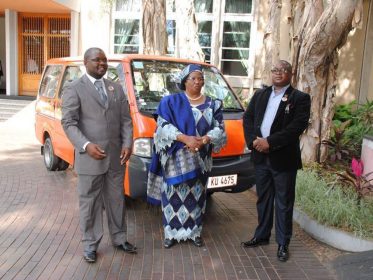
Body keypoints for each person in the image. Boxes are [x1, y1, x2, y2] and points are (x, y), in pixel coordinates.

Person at [61, 47, 136, 263]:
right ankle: (90, 245)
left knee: (116, 200)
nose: (102, 64)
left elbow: (125, 120)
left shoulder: (115, 87)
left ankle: (120, 238)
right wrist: (85, 145)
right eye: (97, 60)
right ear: (86, 62)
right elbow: (68, 122)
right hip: (89, 158)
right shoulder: (74, 88)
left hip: (115, 157)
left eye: (104, 61)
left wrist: (128, 144)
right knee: (90, 203)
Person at [147, 64, 227, 248]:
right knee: (172, 196)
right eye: (194, 78)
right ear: (184, 81)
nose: (198, 82)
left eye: (201, 79)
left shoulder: (213, 104)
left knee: (196, 197)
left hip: (200, 159)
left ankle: (194, 232)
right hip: (175, 160)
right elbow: (162, 127)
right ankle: (170, 233)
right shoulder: (170, 102)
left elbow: (220, 129)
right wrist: (185, 139)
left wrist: (204, 139)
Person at [242, 60, 311, 262]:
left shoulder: (300, 98)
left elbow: (296, 128)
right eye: (274, 70)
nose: (278, 73)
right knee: (263, 199)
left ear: (291, 73)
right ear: (270, 73)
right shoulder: (260, 95)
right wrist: (254, 141)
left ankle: (282, 243)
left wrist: (269, 143)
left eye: (283, 70)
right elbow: (248, 118)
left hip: (283, 159)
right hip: (260, 157)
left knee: (283, 202)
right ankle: (262, 235)